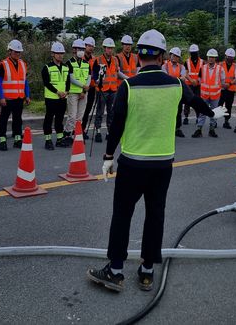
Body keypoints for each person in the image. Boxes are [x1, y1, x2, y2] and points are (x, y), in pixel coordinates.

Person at [86, 29, 218, 293]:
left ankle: (115, 271)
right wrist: (213, 111)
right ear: (161, 56)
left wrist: (108, 157)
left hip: (132, 164)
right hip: (162, 165)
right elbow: (196, 102)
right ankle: (147, 272)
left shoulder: (128, 86)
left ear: (139, 55)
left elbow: (116, 126)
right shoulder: (176, 84)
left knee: (122, 215)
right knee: (155, 215)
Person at [0, 39, 30, 151]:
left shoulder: (23, 64)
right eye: (15, 52)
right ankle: (2, 139)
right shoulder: (3, 64)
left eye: (19, 52)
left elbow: (25, 81)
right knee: (4, 119)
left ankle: (18, 139)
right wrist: (2, 97)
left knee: (18, 119)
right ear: (9, 51)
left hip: (19, 97)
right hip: (7, 98)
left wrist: (27, 95)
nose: (17, 54)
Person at [42, 42, 70, 150]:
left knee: (60, 119)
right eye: (57, 53)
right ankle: (48, 140)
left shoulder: (66, 67)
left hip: (63, 98)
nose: (60, 55)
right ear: (53, 54)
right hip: (51, 98)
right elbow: (47, 83)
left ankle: (59, 139)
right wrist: (57, 92)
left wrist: (67, 91)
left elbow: (67, 81)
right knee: (49, 119)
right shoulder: (47, 68)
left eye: (61, 53)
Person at [92, 38, 120, 143]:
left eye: (111, 48)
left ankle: (109, 131)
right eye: (108, 48)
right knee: (99, 111)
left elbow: (117, 73)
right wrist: (97, 83)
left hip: (113, 90)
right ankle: (98, 131)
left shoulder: (115, 60)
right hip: (102, 89)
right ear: (104, 48)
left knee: (111, 112)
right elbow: (94, 75)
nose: (110, 50)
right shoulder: (98, 60)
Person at [194, 49, 225, 138]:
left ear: (215, 58)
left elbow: (222, 81)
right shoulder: (202, 68)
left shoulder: (220, 69)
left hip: (215, 95)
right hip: (204, 95)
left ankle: (212, 129)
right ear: (207, 58)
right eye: (209, 57)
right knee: (202, 112)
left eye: (213, 57)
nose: (211, 59)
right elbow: (199, 81)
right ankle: (199, 129)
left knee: (214, 113)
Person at [65, 39, 91, 143]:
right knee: (72, 115)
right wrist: (83, 86)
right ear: (74, 50)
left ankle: (77, 135)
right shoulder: (69, 63)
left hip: (83, 93)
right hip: (73, 93)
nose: (81, 51)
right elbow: (71, 78)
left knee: (80, 116)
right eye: (79, 49)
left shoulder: (86, 63)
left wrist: (85, 90)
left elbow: (89, 77)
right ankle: (67, 134)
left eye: (82, 49)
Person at [162, 47, 186, 137]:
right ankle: (167, 128)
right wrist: (177, 79)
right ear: (170, 55)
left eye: (176, 56)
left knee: (178, 111)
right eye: (173, 55)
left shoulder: (181, 67)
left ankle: (177, 129)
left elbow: (183, 78)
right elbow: (165, 78)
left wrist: (172, 79)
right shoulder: (164, 66)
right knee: (167, 111)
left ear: (179, 58)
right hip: (167, 93)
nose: (174, 57)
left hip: (177, 93)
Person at [80, 37, 97, 139]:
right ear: (84, 46)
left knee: (87, 110)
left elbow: (95, 73)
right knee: (80, 111)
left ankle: (83, 129)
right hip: (81, 88)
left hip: (91, 88)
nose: (90, 48)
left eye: (92, 46)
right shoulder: (79, 58)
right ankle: (76, 130)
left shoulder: (94, 59)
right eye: (88, 46)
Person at [182, 44, 203, 125]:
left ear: (197, 52)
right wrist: (192, 80)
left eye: (195, 52)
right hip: (189, 84)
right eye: (192, 52)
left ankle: (198, 117)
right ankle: (186, 117)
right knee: (188, 101)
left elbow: (202, 74)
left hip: (198, 85)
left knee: (197, 101)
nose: (193, 54)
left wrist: (197, 81)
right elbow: (186, 73)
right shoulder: (187, 62)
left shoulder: (202, 62)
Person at [218, 48, 236, 129]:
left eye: (232, 57)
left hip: (231, 89)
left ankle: (226, 121)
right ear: (226, 56)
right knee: (219, 105)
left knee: (228, 106)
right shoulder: (220, 65)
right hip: (221, 89)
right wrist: (223, 84)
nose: (230, 59)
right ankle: (214, 122)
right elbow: (216, 76)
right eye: (229, 57)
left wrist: (229, 83)